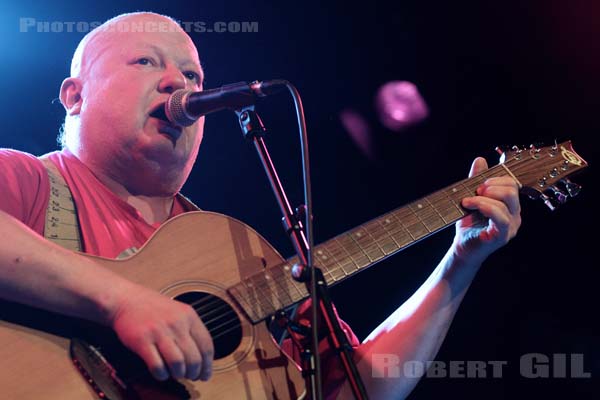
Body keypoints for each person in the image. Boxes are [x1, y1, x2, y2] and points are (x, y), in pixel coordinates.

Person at [0, 12, 521, 399]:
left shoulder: (236, 250)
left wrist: (460, 261)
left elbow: (359, 387)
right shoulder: (26, 179)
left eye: (193, 77)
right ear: (75, 95)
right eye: (145, 62)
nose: (178, 83)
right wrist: (121, 300)